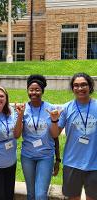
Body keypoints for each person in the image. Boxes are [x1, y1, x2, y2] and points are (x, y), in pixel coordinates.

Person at [50, 72, 97, 200]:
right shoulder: (66, 108)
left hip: (94, 164)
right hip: (72, 163)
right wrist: (54, 120)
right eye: (76, 85)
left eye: (83, 85)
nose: (80, 88)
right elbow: (55, 134)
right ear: (72, 88)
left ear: (90, 86)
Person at [14, 74, 61, 200]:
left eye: (37, 90)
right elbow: (17, 135)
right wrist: (20, 116)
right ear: (27, 91)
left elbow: (55, 136)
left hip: (45, 156)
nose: (34, 92)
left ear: (42, 91)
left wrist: (58, 159)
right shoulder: (22, 109)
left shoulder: (50, 108)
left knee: (40, 195)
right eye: (31, 89)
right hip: (27, 156)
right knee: (31, 194)